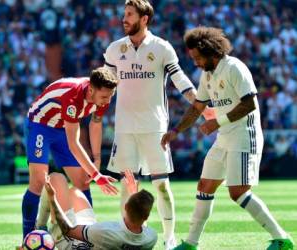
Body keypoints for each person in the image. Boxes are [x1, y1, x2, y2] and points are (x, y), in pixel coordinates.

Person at [161, 27, 294, 250]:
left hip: (244, 134)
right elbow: (197, 107)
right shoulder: (207, 75)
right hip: (224, 137)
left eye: (197, 58)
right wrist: (176, 131)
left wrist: (217, 122)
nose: (195, 63)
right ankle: (191, 243)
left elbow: (249, 104)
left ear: (210, 51)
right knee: (204, 186)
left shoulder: (234, 68)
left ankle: (282, 239)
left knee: (238, 192)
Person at [103, 1, 208, 248]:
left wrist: (200, 104)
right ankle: (128, 237)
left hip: (155, 128)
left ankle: (169, 239)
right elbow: (104, 83)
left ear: (144, 19)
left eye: (129, 15)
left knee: (161, 185)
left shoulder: (162, 48)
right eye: (124, 15)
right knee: (127, 188)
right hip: (125, 129)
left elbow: (179, 78)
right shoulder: (114, 49)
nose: (124, 19)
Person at [21, 67, 119, 240]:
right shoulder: (73, 97)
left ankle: (87, 234)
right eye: (104, 97)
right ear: (91, 89)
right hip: (40, 125)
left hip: (63, 127)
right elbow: (74, 143)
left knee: (82, 181)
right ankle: (28, 238)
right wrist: (97, 175)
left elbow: (95, 124)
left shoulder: (104, 95)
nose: (107, 101)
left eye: (111, 96)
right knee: (37, 181)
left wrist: (96, 158)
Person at [41, 170, 157, 249]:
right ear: (146, 216)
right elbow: (141, 225)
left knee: (56, 178)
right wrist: (133, 193)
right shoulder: (151, 238)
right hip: (91, 235)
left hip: (72, 241)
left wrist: (53, 199)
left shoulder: (106, 232)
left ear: (126, 207)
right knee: (74, 192)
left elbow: (68, 230)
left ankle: (39, 227)